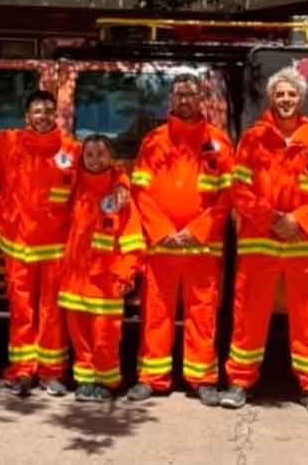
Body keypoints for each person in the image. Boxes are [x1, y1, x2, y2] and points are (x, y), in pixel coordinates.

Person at [220, 67, 308, 416]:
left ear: (301, 98)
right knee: (249, 314)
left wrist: (297, 221)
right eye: (280, 94)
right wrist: (273, 219)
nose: (286, 99)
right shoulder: (253, 138)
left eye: (291, 94)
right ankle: (240, 382)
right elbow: (239, 190)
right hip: (261, 240)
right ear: (271, 97)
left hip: (304, 243)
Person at [126, 73, 233, 406]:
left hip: (202, 245)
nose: (184, 100)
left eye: (190, 94)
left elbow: (229, 195)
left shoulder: (218, 141)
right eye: (179, 94)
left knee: (202, 313)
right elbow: (140, 192)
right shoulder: (154, 141)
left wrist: (195, 231)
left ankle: (202, 379)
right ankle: (151, 377)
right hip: (162, 245)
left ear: (201, 98)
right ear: (171, 100)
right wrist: (163, 232)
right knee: (156, 312)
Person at [0, 90, 81, 397]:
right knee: (21, 311)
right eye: (37, 111)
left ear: (56, 115)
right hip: (19, 244)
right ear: (26, 116)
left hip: (56, 246)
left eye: (48, 111)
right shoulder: (7, 142)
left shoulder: (72, 149)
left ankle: (52, 372)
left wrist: (121, 189)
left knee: (52, 313)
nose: (43, 116)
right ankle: (22, 371)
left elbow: (102, 173)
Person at [58, 135, 145, 402]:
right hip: (75, 278)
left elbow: (132, 238)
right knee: (80, 336)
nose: (95, 160)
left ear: (112, 157)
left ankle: (107, 382)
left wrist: (126, 272)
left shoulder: (120, 194)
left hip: (106, 281)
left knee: (105, 337)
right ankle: (84, 381)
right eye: (89, 155)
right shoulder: (74, 185)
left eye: (101, 154)